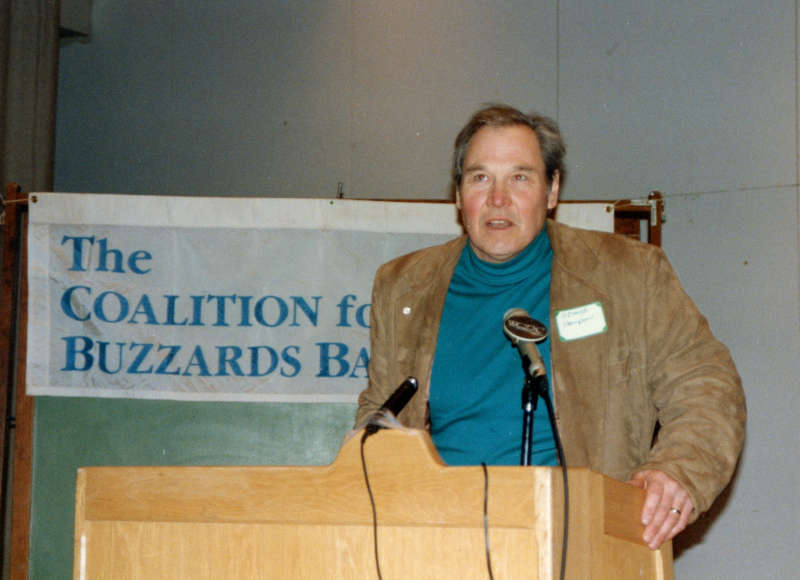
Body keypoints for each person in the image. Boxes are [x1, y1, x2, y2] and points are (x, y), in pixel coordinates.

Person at [355, 104, 746, 550]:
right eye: (480, 177)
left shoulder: (629, 275)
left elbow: (706, 385)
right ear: (459, 193)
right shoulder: (403, 287)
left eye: (520, 177)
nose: (498, 198)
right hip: (436, 544)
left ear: (553, 189)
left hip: (579, 544)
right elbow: (378, 409)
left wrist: (677, 471)